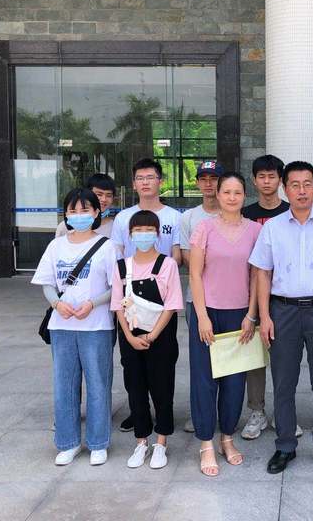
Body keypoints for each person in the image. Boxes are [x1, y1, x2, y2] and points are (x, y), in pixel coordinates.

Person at [249, 161, 313, 475]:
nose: (302, 190)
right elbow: (262, 273)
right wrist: (264, 316)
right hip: (283, 311)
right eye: (294, 185)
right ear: (285, 188)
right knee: (283, 381)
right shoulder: (272, 227)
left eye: (307, 184)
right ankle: (285, 445)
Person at [32, 188, 118, 466]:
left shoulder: (107, 246)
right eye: (73, 210)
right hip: (62, 326)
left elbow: (116, 287)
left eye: (85, 210)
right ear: (66, 214)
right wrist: (56, 304)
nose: (79, 215)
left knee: (98, 385)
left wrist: (93, 303)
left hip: (97, 327)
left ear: (96, 213)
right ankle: (68, 443)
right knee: (65, 385)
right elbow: (47, 282)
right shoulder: (56, 246)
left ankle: (98, 443)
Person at [188, 171, 262, 476]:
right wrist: (202, 316)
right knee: (204, 380)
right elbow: (194, 274)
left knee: (234, 382)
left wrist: (251, 315)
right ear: (217, 195)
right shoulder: (204, 228)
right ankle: (206, 442)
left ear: (244, 196)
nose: (232, 197)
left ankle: (227, 438)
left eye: (237, 192)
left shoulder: (255, 230)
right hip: (207, 313)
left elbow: (257, 276)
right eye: (226, 192)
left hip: (240, 314)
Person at [110, 159, 182, 433]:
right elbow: (117, 254)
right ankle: (137, 412)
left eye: (150, 177)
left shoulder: (174, 217)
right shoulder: (122, 218)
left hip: (160, 296)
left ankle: (163, 415)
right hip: (129, 298)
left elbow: (176, 254)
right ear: (133, 184)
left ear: (160, 181)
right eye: (140, 178)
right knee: (131, 363)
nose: (145, 182)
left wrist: (162, 272)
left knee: (163, 361)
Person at [240, 155, 297, 441]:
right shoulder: (246, 214)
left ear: (280, 180)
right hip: (251, 295)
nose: (266, 181)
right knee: (255, 359)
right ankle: (257, 411)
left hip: (284, 297)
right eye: (261, 176)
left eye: (272, 176)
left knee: (285, 360)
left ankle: (284, 413)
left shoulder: (291, 212)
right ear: (254, 180)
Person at [178, 160, 224, 433]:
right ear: (197, 183)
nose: (209, 183)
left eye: (214, 178)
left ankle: (225, 414)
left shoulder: (234, 213)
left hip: (230, 300)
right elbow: (187, 257)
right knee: (200, 363)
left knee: (227, 361)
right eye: (203, 178)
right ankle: (201, 414)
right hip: (196, 298)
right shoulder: (189, 218)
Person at [56, 173, 117, 238]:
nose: (104, 199)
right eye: (99, 194)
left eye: (108, 195)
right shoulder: (65, 227)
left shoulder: (115, 227)